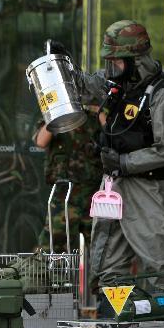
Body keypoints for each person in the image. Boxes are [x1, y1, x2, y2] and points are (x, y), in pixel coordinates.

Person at [50, 20, 164, 328]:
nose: (111, 66)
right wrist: (63, 63)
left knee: (161, 260)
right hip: (115, 187)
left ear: (134, 58)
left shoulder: (159, 94)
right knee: (109, 264)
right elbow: (86, 88)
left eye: (116, 60)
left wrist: (126, 162)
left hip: (148, 190)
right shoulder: (118, 87)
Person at [34, 108, 103, 253]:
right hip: (64, 194)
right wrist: (58, 110)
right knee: (54, 249)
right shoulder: (58, 111)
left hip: (94, 193)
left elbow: (112, 134)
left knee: (102, 250)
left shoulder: (97, 112)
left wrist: (98, 109)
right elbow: (41, 141)